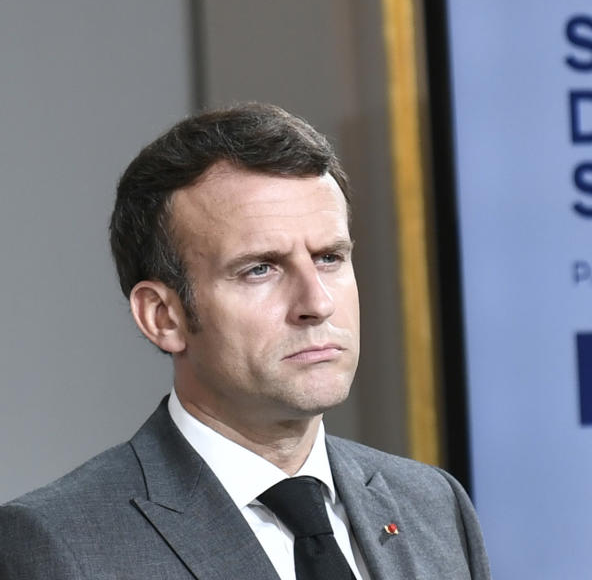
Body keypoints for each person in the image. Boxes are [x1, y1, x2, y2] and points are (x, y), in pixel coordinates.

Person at [0, 103, 490, 580]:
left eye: (329, 258)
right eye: (261, 269)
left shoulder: (433, 504)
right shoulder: (61, 544)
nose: (316, 303)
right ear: (162, 317)